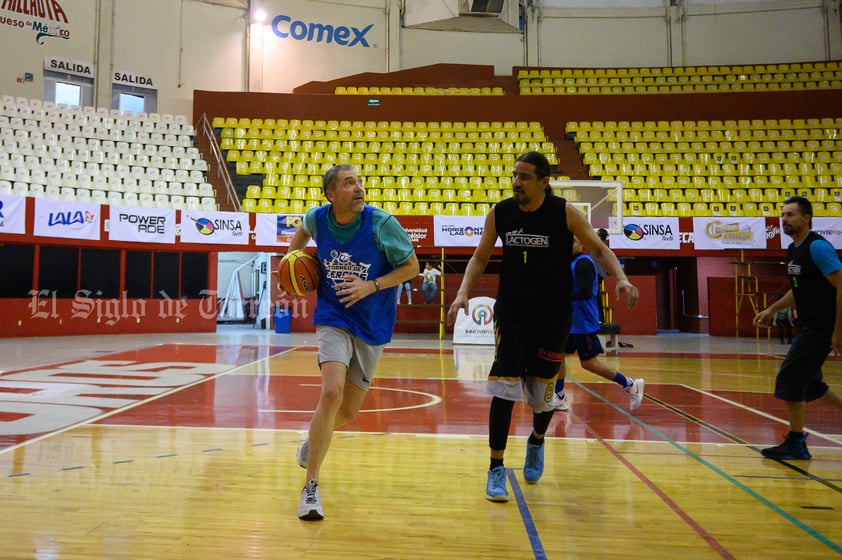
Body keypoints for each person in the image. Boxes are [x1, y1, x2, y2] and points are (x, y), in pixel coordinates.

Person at [446, 151, 639, 502]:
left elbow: (598, 249)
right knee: (503, 389)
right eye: (514, 176)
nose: (516, 182)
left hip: (553, 317)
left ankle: (536, 441)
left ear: (544, 181)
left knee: (542, 397)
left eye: (524, 177)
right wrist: (462, 293)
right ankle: (495, 469)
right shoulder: (501, 212)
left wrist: (621, 278)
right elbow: (480, 257)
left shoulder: (564, 213)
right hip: (512, 314)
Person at [288, 164, 419, 520]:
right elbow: (297, 239)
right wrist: (291, 263)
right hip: (333, 315)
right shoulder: (317, 218)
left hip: (372, 322)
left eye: (359, 182)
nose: (359, 188)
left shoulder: (381, 224)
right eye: (349, 183)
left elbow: (412, 269)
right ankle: (311, 487)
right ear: (332, 195)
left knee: (347, 411)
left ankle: (311, 441)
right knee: (330, 393)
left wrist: (371, 285)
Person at [752, 196, 842, 460]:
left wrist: (838, 332)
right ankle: (796, 440)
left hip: (822, 326)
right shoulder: (794, 249)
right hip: (809, 325)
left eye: (790, 215)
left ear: (807, 218)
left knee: (790, 378)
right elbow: (798, 288)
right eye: (782, 215)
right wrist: (772, 309)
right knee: (810, 383)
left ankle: (796, 441)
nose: (784, 220)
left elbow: (841, 287)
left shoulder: (817, 248)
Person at [552, 235, 644, 413]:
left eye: (572, 241)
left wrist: (559, 298)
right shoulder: (567, 262)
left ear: (581, 243)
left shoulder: (584, 263)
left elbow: (585, 292)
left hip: (583, 322)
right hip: (569, 321)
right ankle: (559, 396)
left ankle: (630, 384)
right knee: (558, 355)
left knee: (589, 363)